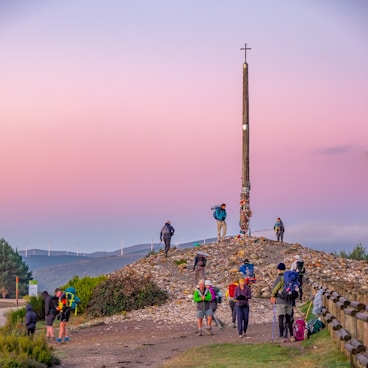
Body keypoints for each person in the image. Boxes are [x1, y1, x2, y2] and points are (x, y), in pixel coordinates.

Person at [270, 262, 295, 342]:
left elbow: (275, 289)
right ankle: (291, 335)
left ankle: (282, 336)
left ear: (278, 270)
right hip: (289, 301)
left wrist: (273, 296)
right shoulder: (290, 277)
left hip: (281, 301)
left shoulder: (280, 278)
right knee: (289, 319)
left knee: (281, 318)